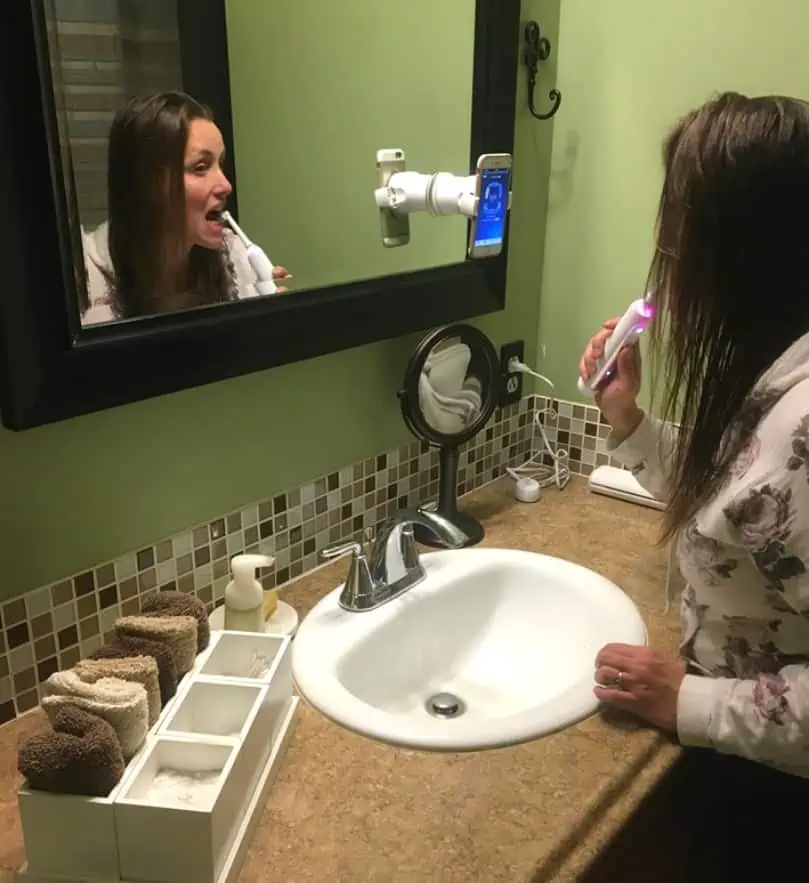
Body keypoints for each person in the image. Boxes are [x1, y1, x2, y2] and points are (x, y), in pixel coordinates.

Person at [579, 91, 809, 879]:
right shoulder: (782, 377)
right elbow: (748, 491)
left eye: (673, 235)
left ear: (735, 250)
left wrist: (688, 700)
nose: (659, 251)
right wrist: (629, 421)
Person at [80, 91, 289, 325]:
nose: (226, 185)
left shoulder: (235, 255)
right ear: (147, 183)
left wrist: (268, 321)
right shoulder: (85, 281)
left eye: (220, 164)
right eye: (201, 167)